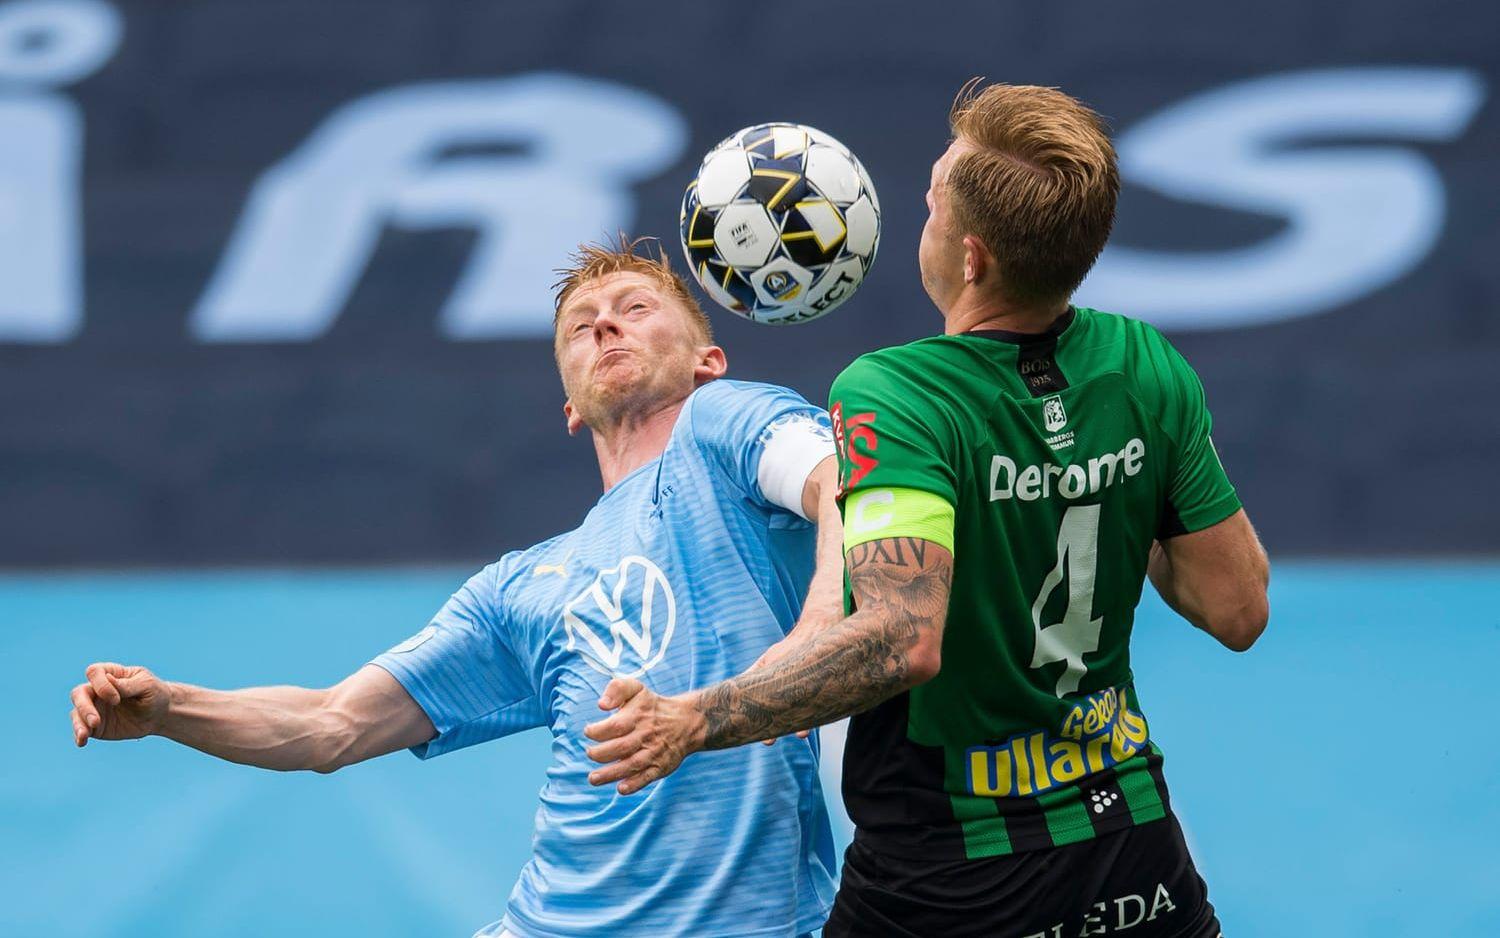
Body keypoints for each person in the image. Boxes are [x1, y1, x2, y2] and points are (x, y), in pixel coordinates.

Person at [585, 83, 1270, 937]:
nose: (922, 202)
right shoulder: (1144, 365)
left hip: (951, 874)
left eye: (936, 196)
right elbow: (1237, 608)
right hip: (1134, 854)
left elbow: (901, 641)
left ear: (971, 257)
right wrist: (1093, 474)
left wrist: (695, 719)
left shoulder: (895, 393)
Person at [68, 237, 843, 938]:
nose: (606, 326)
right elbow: (330, 724)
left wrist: (817, 627)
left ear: (708, 359)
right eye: (581, 325)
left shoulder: (725, 422)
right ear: (569, 406)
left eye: (635, 309)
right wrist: (172, 708)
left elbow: (851, 484)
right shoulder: (521, 585)